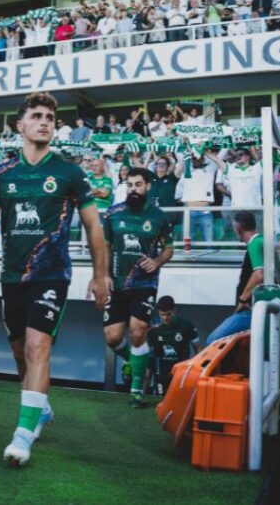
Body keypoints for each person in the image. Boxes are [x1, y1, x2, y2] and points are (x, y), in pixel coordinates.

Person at [0, 91, 110, 468]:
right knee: (21, 354)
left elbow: (93, 226)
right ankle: (40, 407)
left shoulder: (69, 173)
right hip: (12, 276)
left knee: (37, 347)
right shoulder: (2, 174)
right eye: (36, 116)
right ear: (20, 125)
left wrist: (101, 275)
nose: (45, 122)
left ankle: (23, 434)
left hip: (52, 274)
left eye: (50, 117)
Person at [101, 168, 174, 408]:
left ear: (148, 186)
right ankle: (131, 360)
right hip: (116, 283)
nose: (133, 189)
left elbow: (168, 248)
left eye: (138, 184)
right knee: (112, 338)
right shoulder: (112, 214)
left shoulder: (159, 217)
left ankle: (136, 390)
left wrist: (157, 261)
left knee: (138, 331)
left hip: (144, 283)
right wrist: (103, 275)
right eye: (130, 185)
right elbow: (104, 247)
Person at [204, 211, 262, 345]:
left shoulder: (254, 244)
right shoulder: (259, 241)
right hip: (253, 309)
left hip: (250, 310)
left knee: (213, 340)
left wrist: (243, 299)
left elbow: (259, 274)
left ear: (238, 228)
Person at [147, 296, 200, 396]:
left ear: (174, 310)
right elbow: (149, 352)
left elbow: (198, 348)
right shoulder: (154, 328)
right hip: (161, 372)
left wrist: (198, 369)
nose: (165, 318)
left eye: (168, 314)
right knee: (160, 399)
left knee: (179, 399)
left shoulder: (187, 325)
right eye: (162, 314)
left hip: (180, 371)